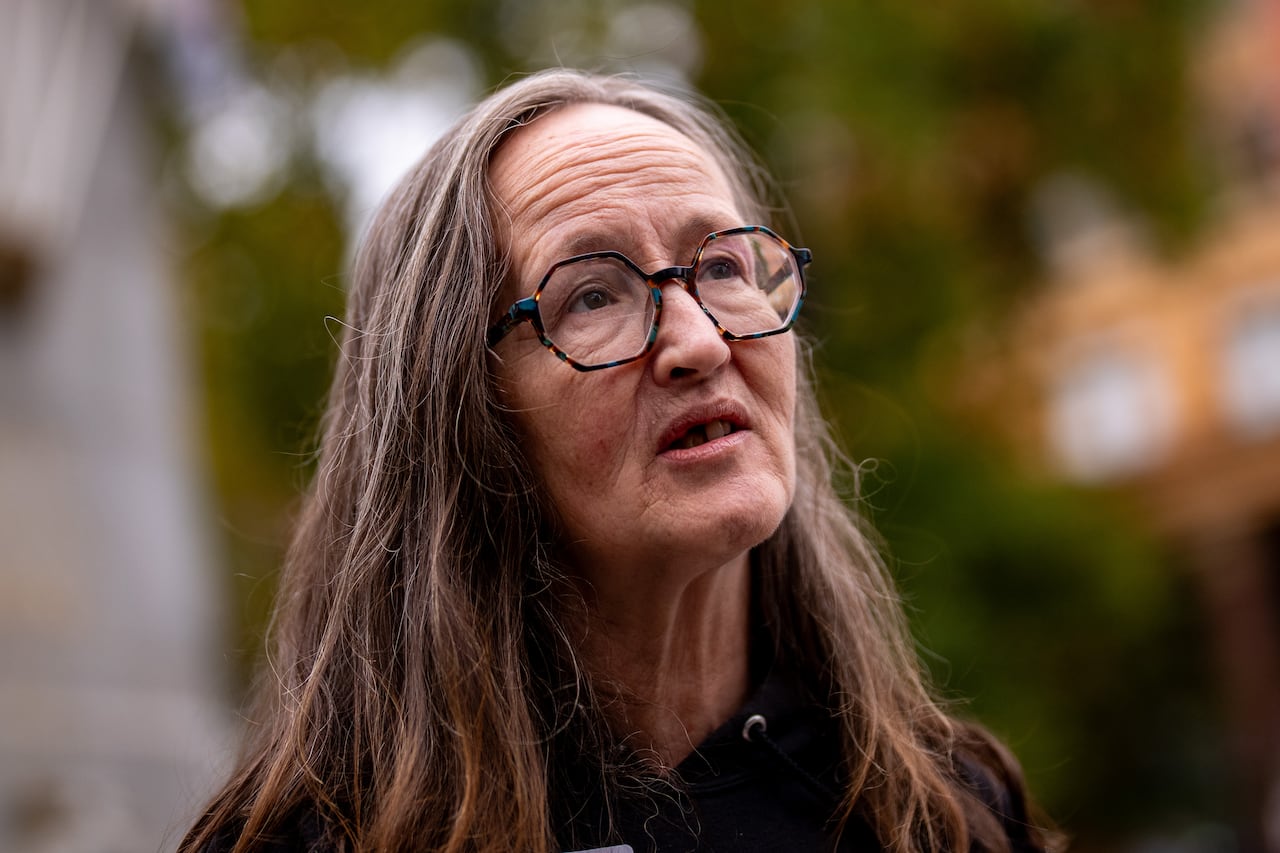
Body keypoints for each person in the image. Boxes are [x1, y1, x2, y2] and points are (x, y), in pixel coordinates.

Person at [181, 69, 1054, 853]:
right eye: (592, 294)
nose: (699, 342)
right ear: (462, 415)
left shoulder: (944, 815)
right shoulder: (324, 841)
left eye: (720, 265)